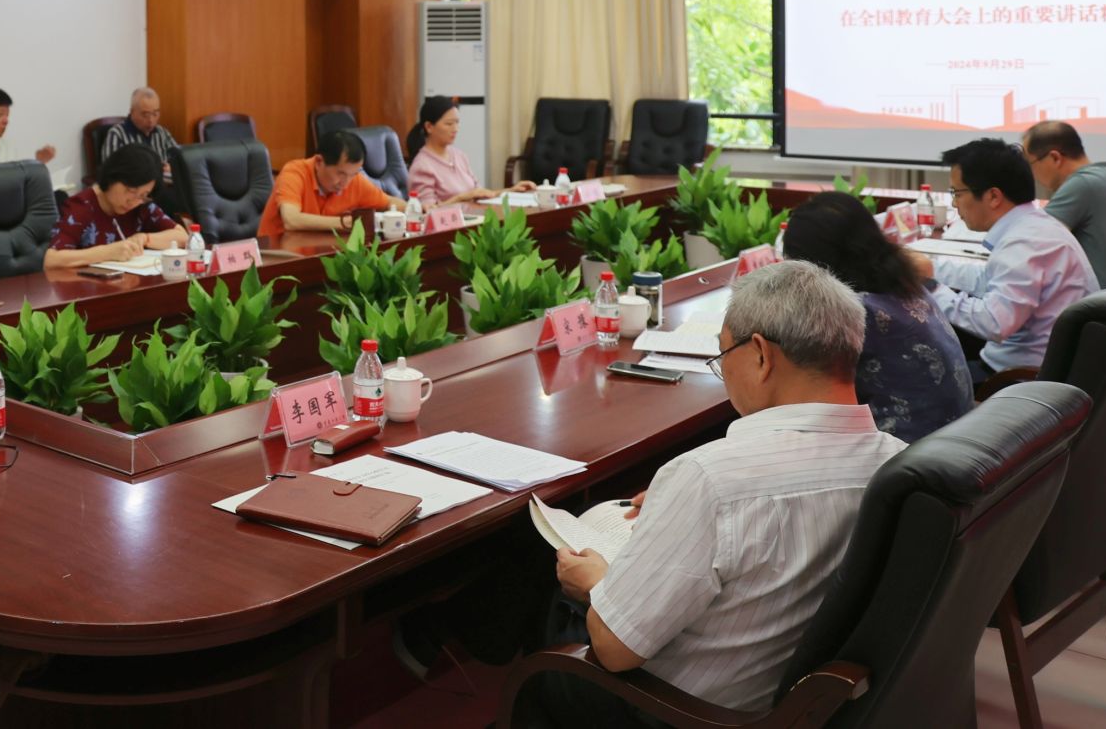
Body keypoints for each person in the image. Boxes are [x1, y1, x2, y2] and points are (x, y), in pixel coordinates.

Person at [396, 262, 905, 723]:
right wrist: (674, 508)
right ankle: (458, 631)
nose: (723, 371)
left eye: (724, 353)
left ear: (760, 355)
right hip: (798, 699)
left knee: (549, 567)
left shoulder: (711, 479)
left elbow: (615, 650)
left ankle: (468, 642)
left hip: (679, 710)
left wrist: (595, 583)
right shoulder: (898, 463)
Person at [781, 191, 971, 443]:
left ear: (818, 263)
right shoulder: (903, 283)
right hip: (953, 439)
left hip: (906, 453)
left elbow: (798, 384)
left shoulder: (856, 312)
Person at [929, 137, 1098, 378]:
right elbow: (989, 278)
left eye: (957, 193)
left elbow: (994, 323)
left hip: (1019, 380)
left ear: (993, 196)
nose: (955, 204)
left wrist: (932, 288)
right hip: (1042, 368)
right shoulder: (1035, 225)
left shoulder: (1025, 243)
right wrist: (930, 269)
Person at [1021, 120, 1106, 288]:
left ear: (1055, 158)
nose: (1031, 173)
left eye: (1030, 164)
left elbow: (1035, 242)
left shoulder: (1082, 184)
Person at [45, 147, 188, 272]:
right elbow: (51, 260)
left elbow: (182, 237)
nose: (133, 201)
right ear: (112, 177)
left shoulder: (142, 205)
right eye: (131, 190)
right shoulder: (81, 206)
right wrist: (107, 252)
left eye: (143, 195)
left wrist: (145, 238)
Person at [257, 130, 394, 241]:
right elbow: (291, 220)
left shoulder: (353, 180)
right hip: (276, 256)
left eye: (353, 174)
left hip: (320, 252)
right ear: (319, 162)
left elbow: (393, 204)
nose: (346, 182)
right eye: (340, 173)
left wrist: (401, 214)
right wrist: (346, 223)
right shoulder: (294, 173)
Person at [404, 95, 535, 208]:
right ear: (429, 127)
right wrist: (462, 197)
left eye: (457, 123)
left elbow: (480, 193)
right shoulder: (422, 166)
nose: (455, 129)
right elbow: (426, 212)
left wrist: (512, 191)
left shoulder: (459, 155)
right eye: (449, 124)